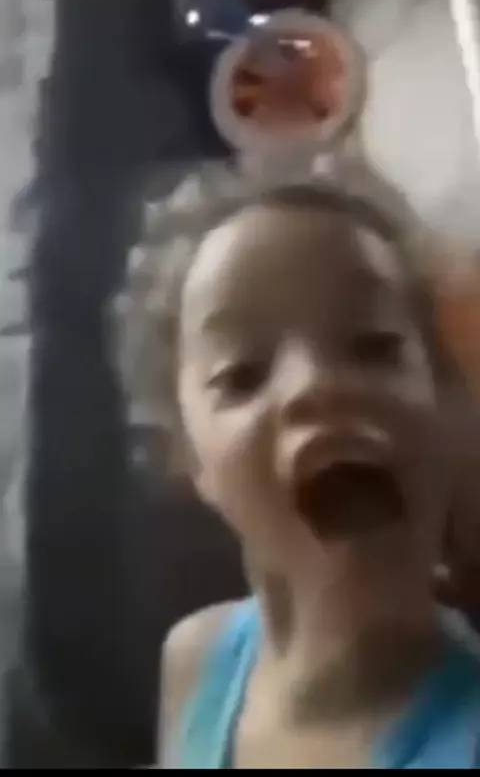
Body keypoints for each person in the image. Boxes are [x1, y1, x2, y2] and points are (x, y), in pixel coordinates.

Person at [129, 164, 480, 769]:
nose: (315, 385)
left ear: (446, 403)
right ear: (188, 457)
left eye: (374, 346)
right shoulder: (195, 663)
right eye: (242, 374)